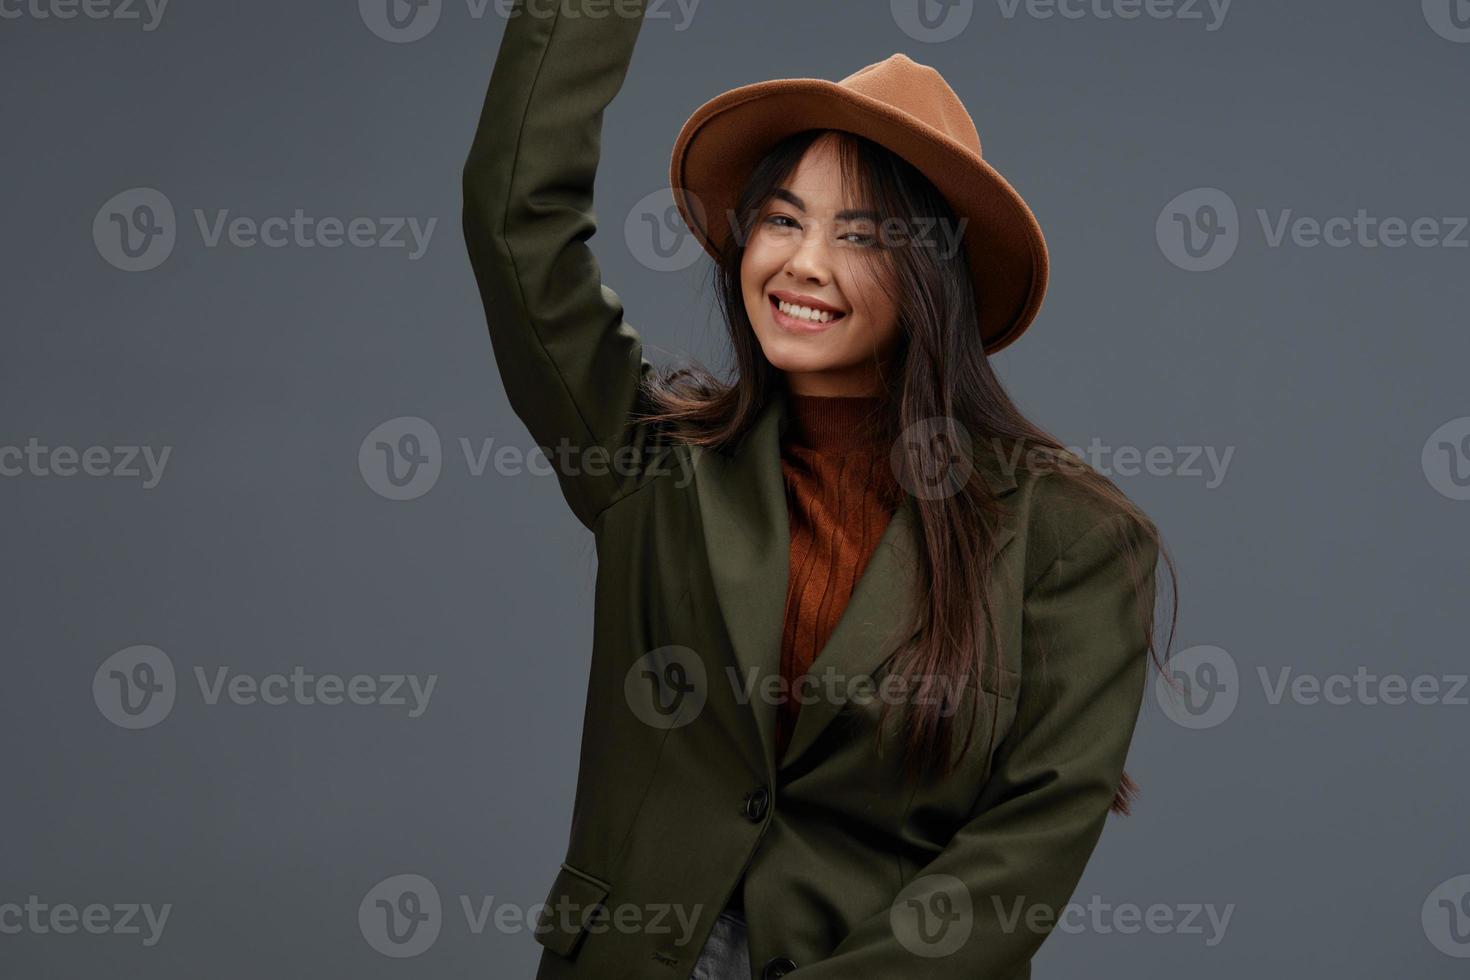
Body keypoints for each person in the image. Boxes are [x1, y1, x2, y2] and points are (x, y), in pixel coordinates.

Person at [462, 1, 1178, 977]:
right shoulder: (652, 459)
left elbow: (1026, 844)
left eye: (861, 235)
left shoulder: (1070, 537)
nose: (804, 263)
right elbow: (516, 224)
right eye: (783, 219)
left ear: (934, 277)